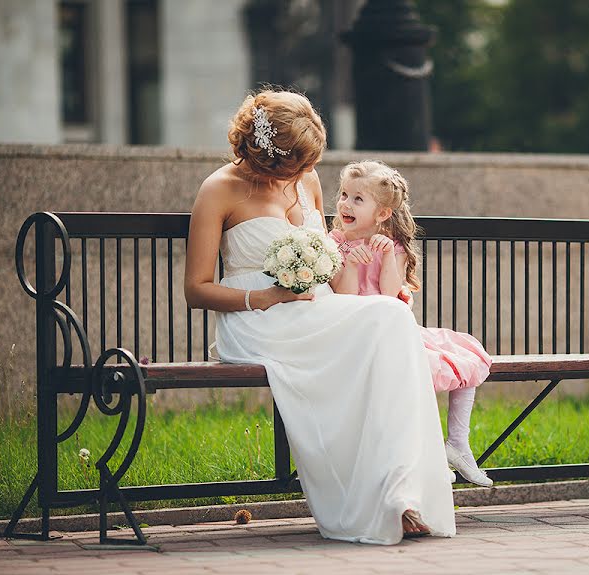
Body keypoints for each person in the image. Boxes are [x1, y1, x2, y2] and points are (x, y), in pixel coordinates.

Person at [183, 89, 455, 544]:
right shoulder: (219, 190)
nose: (301, 173)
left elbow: (327, 251)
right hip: (255, 320)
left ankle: (400, 492)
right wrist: (266, 297)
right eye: (293, 163)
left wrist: (340, 266)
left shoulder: (304, 179)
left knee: (391, 319)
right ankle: (371, 496)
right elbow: (196, 289)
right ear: (265, 151)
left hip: (314, 307)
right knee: (386, 322)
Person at [329, 160, 493, 488]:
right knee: (410, 370)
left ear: (382, 214)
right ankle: (427, 454)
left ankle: (458, 444)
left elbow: (391, 296)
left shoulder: (395, 247)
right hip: (359, 335)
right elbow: (345, 298)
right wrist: (347, 260)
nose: (345, 204)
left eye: (358, 199)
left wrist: (387, 255)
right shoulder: (334, 242)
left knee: (464, 356)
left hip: (394, 330)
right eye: (344, 195)